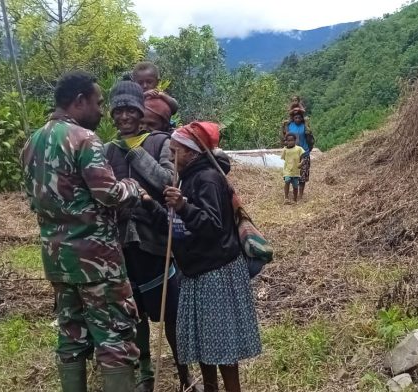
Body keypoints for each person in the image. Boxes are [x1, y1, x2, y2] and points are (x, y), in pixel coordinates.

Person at [19, 71, 142, 392]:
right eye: (98, 103)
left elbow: (35, 199)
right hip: (97, 262)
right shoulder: (84, 139)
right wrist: (132, 186)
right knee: (114, 337)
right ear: (79, 101)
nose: (102, 110)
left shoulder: (33, 142)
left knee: (71, 334)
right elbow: (109, 194)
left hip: (59, 260)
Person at [143, 122, 262, 392]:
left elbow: (213, 227)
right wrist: (151, 206)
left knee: (222, 346)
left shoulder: (206, 178)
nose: (171, 157)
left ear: (191, 152)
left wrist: (183, 205)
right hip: (197, 272)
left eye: (175, 152)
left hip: (215, 273)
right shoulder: (187, 178)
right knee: (204, 346)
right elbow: (180, 229)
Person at [103, 80, 200, 392]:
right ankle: (146, 374)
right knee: (136, 314)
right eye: (118, 111)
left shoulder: (159, 142)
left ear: (140, 110)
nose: (125, 117)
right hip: (122, 243)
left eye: (131, 109)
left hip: (157, 242)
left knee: (171, 314)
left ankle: (185, 375)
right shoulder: (106, 150)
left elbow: (167, 180)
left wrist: (136, 156)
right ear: (112, 115)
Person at [282, 111, 313, 200]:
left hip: (304, 153)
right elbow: (285, 138)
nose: (298, 119)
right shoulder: (289, 125)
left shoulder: (305, 126)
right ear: (293, 118)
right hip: (292, 154)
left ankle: (300, 195)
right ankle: (291, 194)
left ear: (302, 118)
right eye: (296, 118)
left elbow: (310, 139)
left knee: (303, 175)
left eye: (299, 118)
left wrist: (308, 150)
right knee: (292, 175)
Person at [281, 133, 305, 204]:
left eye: (292, 140)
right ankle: (286, 198)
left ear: (295, 140)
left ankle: (295, 199)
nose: (290, 142)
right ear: (286, 141)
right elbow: (285, 159)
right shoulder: (285, 150)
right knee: (287, 181)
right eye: (288, 141)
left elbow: (303, 157)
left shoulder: (299, 149)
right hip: (287, 170)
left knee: (295, 186)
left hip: (296, 171)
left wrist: (301, 163)